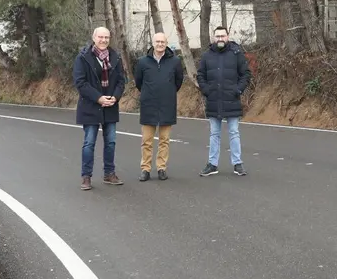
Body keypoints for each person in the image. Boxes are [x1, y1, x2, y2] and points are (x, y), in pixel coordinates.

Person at [73, 27, 126, 190]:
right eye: (101, 37)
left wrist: (114, 97)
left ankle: (109, 174)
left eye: (106, 37)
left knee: (111, 142)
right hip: (90, 106)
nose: (103, 40)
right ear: (94, 38)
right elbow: (80, 83)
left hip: (110, 106)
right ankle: (86, 176)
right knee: (89, 143)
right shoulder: (82, 58)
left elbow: (121, 81)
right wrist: (98, 98)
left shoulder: (115, 57)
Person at [196, 26, 252, 177]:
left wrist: (238, 90)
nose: (220, 39)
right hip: (213, 99)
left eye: (223, 36)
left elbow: (246, 74)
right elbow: (200, 75)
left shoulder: (236, 53)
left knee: (234, 132)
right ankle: (212, 164)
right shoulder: (207, 55)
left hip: (232, 99)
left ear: (228, 37)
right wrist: (206, 90)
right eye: (217, 36)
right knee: (214, 134)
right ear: (213, 38)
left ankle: (237, 164)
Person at [133, 32, 184, 181]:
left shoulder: (174, 61)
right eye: (157, 41)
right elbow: (138, 82)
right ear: (152, 43)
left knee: (164, 140)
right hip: (148, 105)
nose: (160, 44)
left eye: (162, 41)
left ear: (166, 43)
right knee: (147, 140)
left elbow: (178, 81)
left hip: (167, 105)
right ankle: (145, 169)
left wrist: (168, 92)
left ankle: (161, 168)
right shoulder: (143, 62)